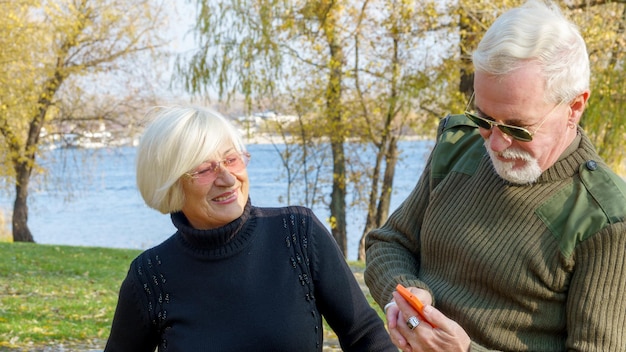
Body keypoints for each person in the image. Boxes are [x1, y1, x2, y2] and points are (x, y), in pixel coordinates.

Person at [364, 0, 626, 351]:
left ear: (575, 108)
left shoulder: (603, 219)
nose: (497, 143)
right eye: (485, 119)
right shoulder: (460, 146)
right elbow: (389, 243)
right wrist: (406, 297)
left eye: (519, 128)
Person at [104, 105, 396, 351]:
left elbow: (365, 336)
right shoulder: (150, 276)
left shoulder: (298, 233)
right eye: (205, 169)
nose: (229, 180)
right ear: (169, 182)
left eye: (231, 159)